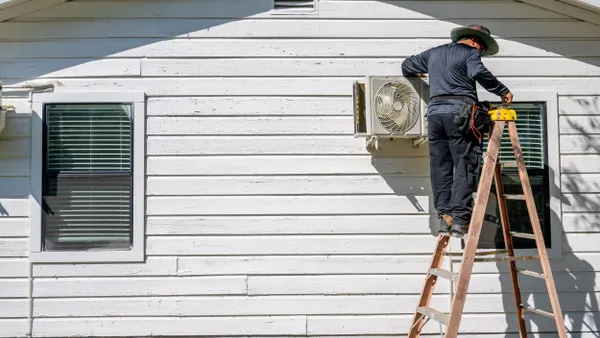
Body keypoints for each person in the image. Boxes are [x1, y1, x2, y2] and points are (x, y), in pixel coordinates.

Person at [401, 24, 513, 237]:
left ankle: (445, 217)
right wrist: (502, 90)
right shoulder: (470, 53)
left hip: (434, 116)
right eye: (481, 49)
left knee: (440, 166)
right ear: (475, 41)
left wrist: (422, 71)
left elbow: (407, 65)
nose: (479, 53)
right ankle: (461, 219)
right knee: (465, 164)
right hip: (460, 115)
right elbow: (478, 71)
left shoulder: (434, 53)